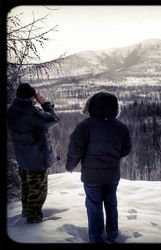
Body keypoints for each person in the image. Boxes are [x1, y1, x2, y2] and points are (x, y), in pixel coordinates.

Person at [66, 91, 132, 243]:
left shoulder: (85, 126)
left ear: (93, 106)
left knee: (94, 206)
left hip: (91, 176)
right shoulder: (120, 127)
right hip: (112, 175)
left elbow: (75, 149)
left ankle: (96, 238)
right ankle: (112, 235)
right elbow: (126, 149)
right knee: (111, 204)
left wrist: (70, 166)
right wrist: (114, 157)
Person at [7, 83, 59, 223]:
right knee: (37, 192)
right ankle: (33, 221)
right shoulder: (31, 112)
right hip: (36, 160)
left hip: (23, 159)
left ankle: (26, 213)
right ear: (32, 97)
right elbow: (54, 119)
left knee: (27, 189)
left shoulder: (12, 110)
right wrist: (44, 102)